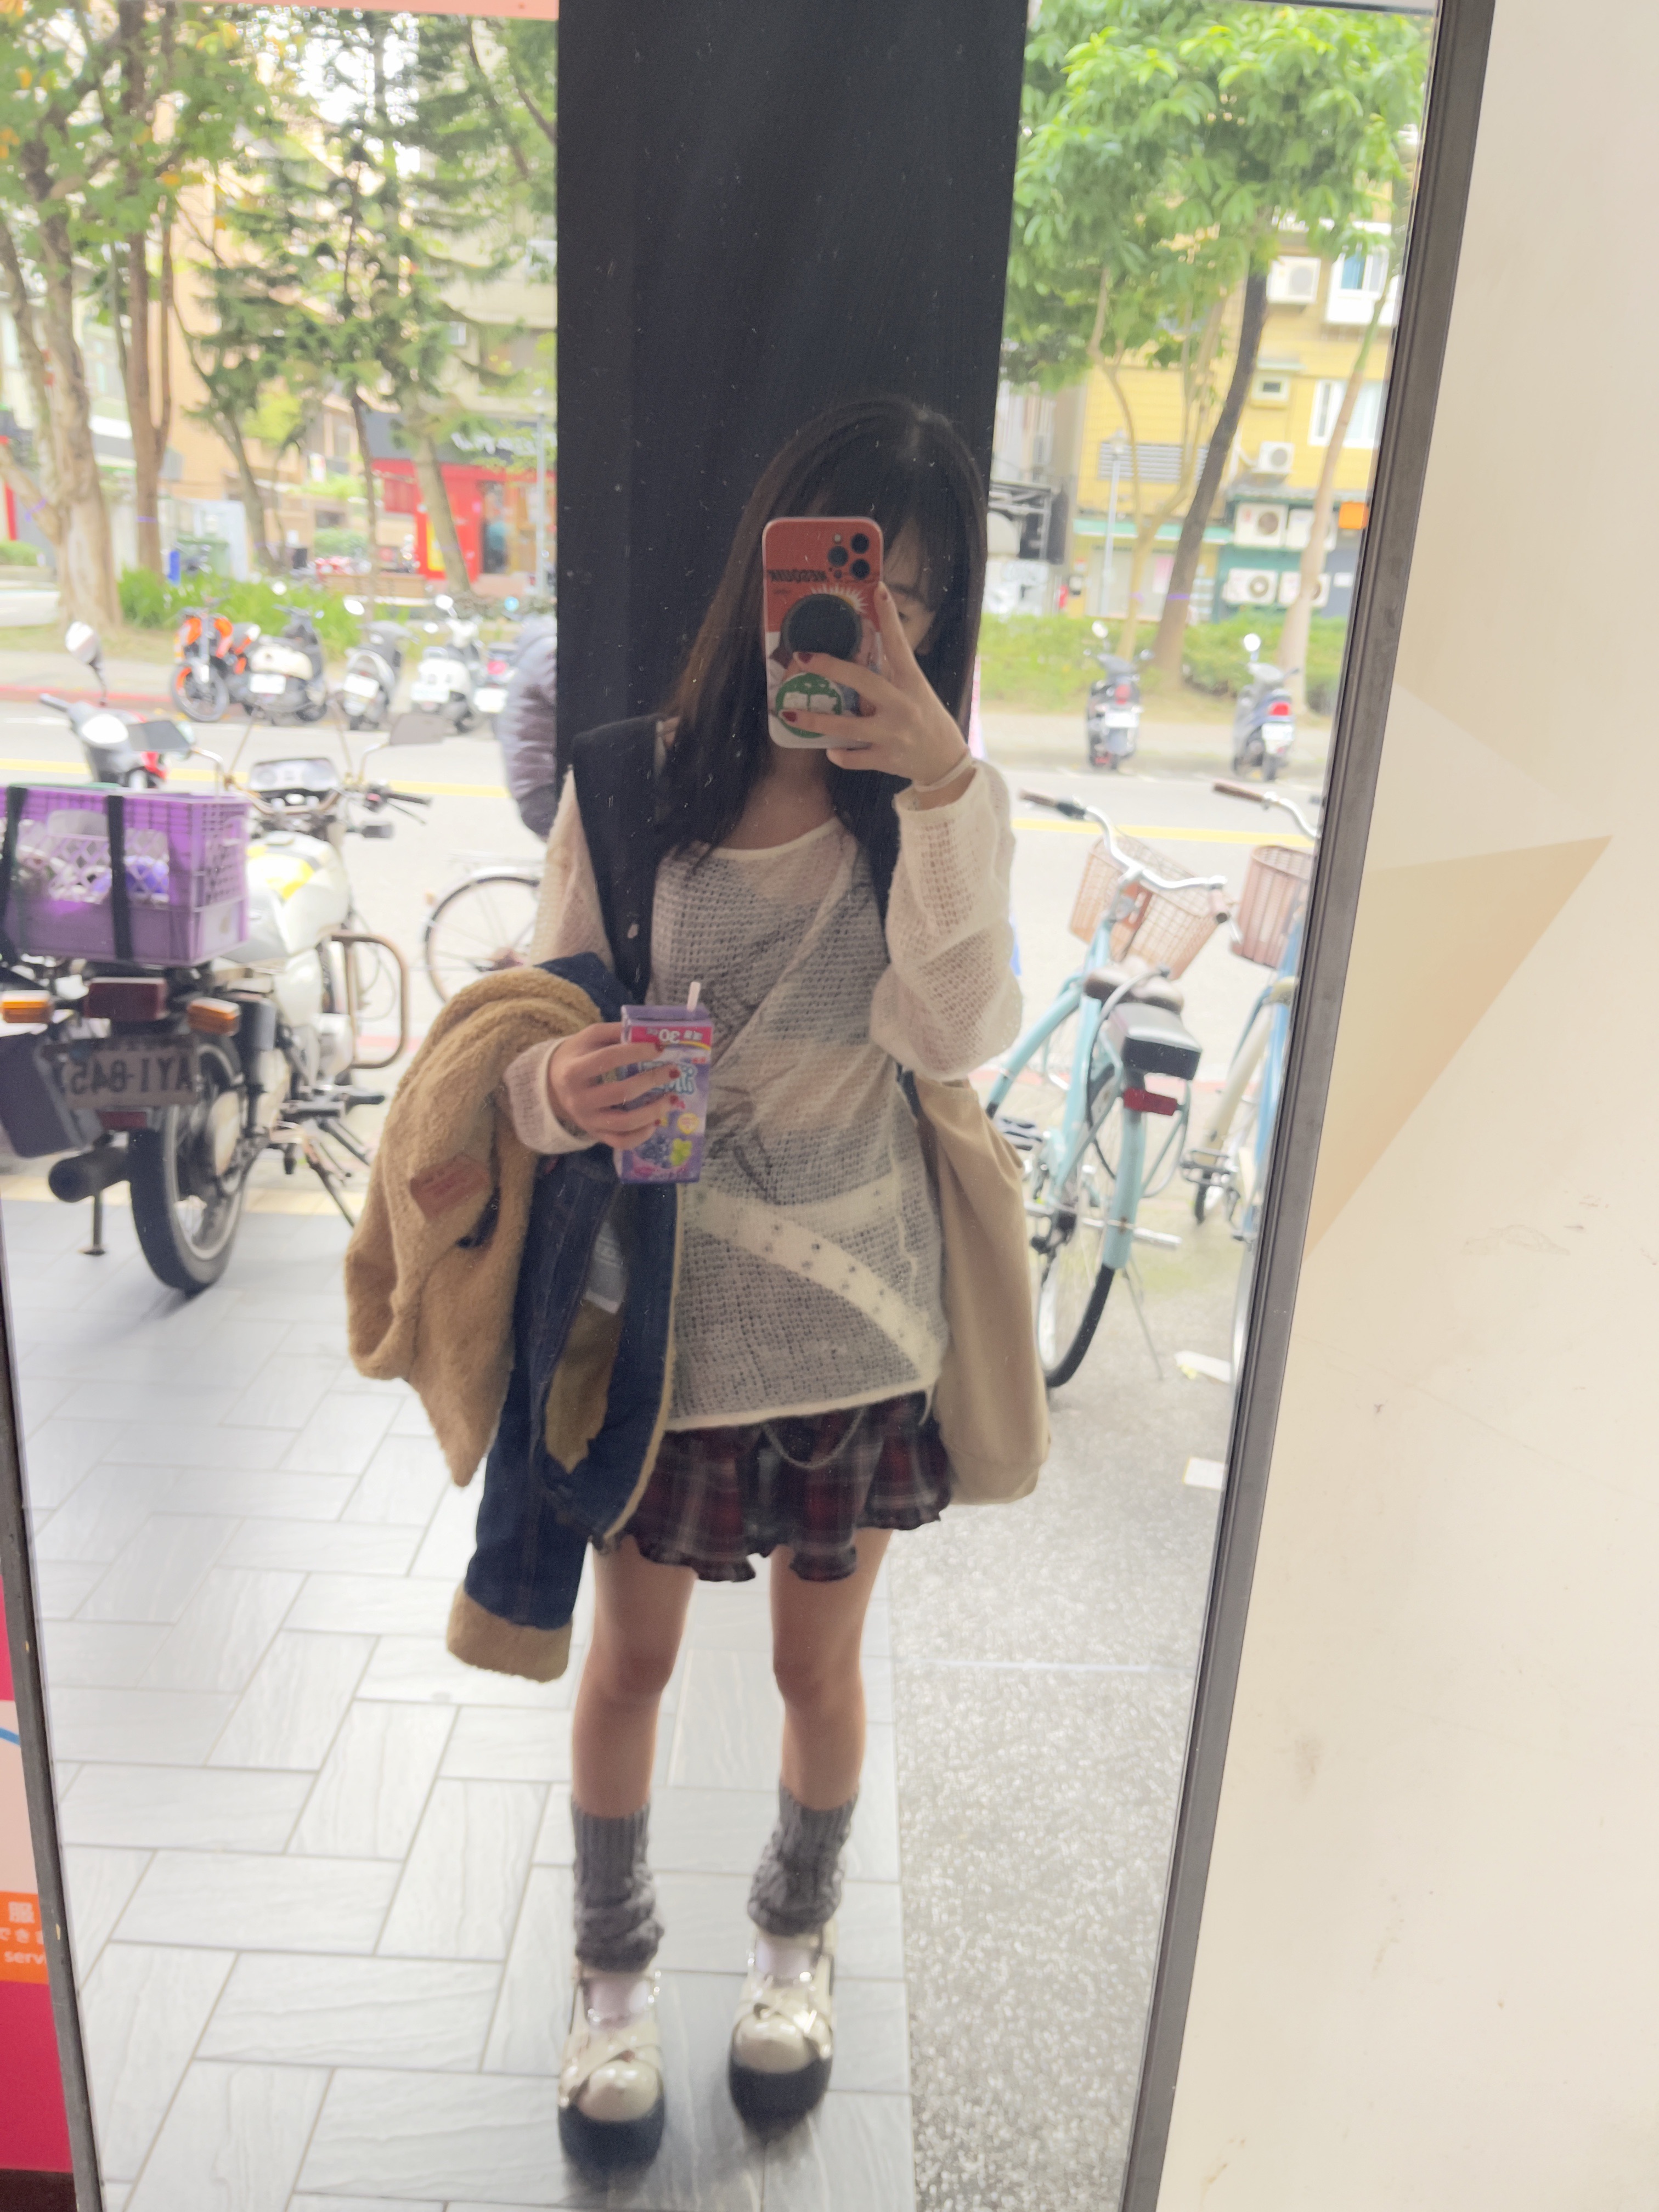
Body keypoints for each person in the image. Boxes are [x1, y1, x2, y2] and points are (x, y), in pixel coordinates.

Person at [501, 396, 1020, 2165]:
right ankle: (610, 1978)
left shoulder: (929, 816)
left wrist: (942, 787)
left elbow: (951, 1033)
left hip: (852, 1326)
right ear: (773, 573)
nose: (879, 627)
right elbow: (530, 1030)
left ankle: (795, 1950)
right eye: (854, 581)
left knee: (817, 1670)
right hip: (663, 1336)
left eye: (917, 598)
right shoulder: (627, 782)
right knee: (631, 1664)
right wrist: (555, 1088)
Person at [496, 616, 560, 837]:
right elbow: (576, 706)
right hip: (542, 786)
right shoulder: (548, 653)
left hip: (532, 784)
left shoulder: (537, 652)